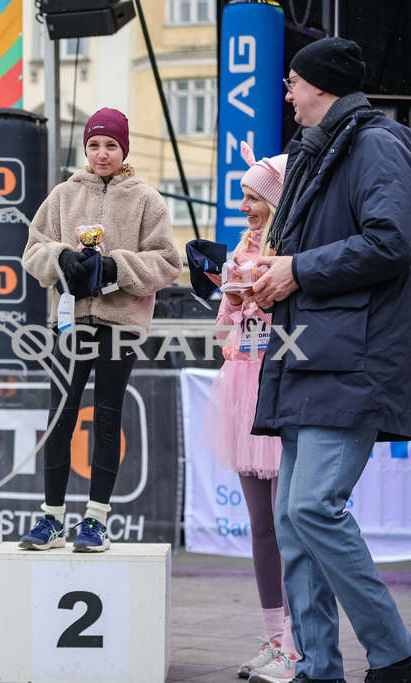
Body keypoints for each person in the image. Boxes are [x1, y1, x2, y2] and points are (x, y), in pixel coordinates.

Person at [250, 37, 411, 683]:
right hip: (316, 355)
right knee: (294, 520)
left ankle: (394, 652)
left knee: (312, 507)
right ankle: (317, 667)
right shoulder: (324, 150)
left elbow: (392, 240)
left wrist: (296, 269)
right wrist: (273, 276)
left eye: (292, 82)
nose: (286, 94)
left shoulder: (376, 143)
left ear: (323, 85)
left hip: (354, 359)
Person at [19, 108, 181, 552]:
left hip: (120, 325)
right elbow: (31, 252)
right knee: (60, 417)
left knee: (107, 418)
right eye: (94, 145)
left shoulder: (148, 199)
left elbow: (168, 263)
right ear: (84, 149)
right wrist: (59, 256)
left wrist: (116, 266)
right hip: (70, 322)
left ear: (124, 148)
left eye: (111, 144)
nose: (102, 153)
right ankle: (51, 519)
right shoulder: (62, 195)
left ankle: (95, 521)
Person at [201, 146, 299, 683]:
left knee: (293, 522)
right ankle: (274, 638)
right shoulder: (239, 251)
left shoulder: (296, 249)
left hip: (283, 385)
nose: (246, 207)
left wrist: (267, 301)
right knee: (261, 523)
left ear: (278, 200)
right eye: (243, 196)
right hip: (241, 384)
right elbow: (225, 330)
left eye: (255, 197)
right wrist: (233, 304)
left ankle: (300, 641)